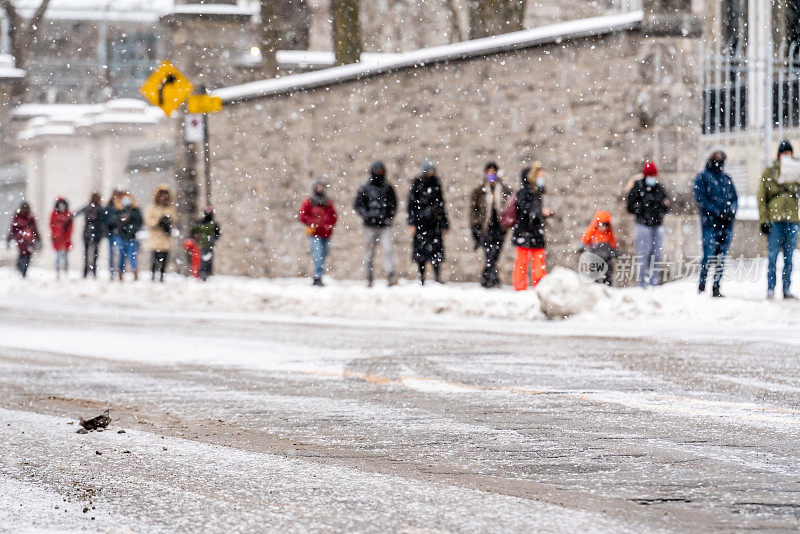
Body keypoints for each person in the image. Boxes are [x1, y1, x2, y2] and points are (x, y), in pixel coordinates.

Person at [758, 140, 800, 300]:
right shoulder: (769, 172)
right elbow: (761, 197)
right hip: (775, 219)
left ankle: (787, 289)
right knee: (773, 256)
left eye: (789, 153)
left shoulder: (796, 171)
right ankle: (770, 289)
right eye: (784, 153)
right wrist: (763, 220)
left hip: (792, 219)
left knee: (789, 258)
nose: (787, 156)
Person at [694, 151, 738, 297]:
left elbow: (734, 199)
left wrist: (731, 211)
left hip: (726, 224)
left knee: (721, 257)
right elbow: (701, 200)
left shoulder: (726, 179)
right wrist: (717, 211)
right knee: (709, 255)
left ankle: (716, 287)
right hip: (710, 223)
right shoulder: (703, 178)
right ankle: (702, 286)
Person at [626, 161, 670, 288]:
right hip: (643, 225)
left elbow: (666, 205)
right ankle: (643, 283)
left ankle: (654, 281)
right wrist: (642, 207)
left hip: (657, 224)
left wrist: (659, 206)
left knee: (656, 255)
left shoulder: (659, 188)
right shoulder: (638, 187)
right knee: (643, 254)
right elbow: (630, 206)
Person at [354, 161, 398, 287]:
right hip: (369, 226)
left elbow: (393, 205)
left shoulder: (387, 188)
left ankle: (390, 274)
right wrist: (366, 215)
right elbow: (358, 204)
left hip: (384, 226)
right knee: (369, 252)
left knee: (387, 250)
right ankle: (369, 276)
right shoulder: (366, 188)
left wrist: (389, 217)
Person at [470, 161, 513, 288]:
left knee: (496, 253)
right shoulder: (479, 191)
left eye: (493, 172)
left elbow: (508, 206)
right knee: (489, 253)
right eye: (489, 172)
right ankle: (494, 279)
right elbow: (473, 211)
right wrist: (475, 225)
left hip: (499, 227)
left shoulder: (503, 189)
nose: (491, 175)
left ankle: (485, 278)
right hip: (486, 227)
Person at [512, 162, 553, 291]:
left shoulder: (539, 193)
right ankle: (520, 287)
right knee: (523, 262)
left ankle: (539, 286)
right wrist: (539, 213)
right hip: (526, 231)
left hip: (534, 231)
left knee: (538, 261)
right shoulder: (524, 193)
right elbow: (526, 211)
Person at [407, 162, 449, 284]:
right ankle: (422, 277)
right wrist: (412, 222)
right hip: (421, 223)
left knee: (436, 251)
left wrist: (445, 223)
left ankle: (437, 276)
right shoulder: (417, 184)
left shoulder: (436, 184)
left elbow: (441, 204)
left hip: (434, 223)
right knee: (421, 253)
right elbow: (411, 205)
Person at [298, 181, 337, 286]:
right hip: (315, 234)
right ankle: (317, 276)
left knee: (323, 255)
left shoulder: (328, 203)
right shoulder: (309, 202)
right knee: (317, 255)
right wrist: (313, 222)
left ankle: (319, 274)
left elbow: (333, 217)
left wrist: (327, 225)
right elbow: (302, 215)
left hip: (326, 234)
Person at [145, 184, 175, 282]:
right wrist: (158, 221)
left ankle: (162, 276)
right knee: (155, 259)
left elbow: (174, 218)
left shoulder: (169, 208)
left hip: (165, 238)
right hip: (155, 238)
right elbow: (148, 220)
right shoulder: (152, 208)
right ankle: (153, 276)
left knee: (164, 259)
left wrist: (167, 220)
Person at [579, 210, 619, 286]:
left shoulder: (608, 232)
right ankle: (595, 287)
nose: (603, 227)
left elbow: (612, 241)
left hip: (607, 257)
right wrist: (582, 245)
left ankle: (608, 287)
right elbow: (586, 237)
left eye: (605, 225)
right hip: (595, 257)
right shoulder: (593, 230)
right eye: (601, 225)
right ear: (597, 224)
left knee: (608, 274)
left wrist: (615, 250)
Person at [6, 202, 39, 278]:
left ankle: (22, 270)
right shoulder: (22, 217)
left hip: (26, 239)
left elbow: (12, 229)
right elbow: (13, 229)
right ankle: (22, 270)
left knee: (24, 255)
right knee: (24, 255)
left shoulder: (24, 217)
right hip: (23, 239)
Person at [76, 192, 104, 278]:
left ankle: (88, 271)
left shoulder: (92, 208)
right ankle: (91, 271)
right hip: (93, 233)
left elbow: (76, 213)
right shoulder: (98, 208)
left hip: (91, 233)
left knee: (89, 254)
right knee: (92, 254)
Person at [116, 192, 143, 281]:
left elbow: (139, 223)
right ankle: (120, 274)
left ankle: (134, 273)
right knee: (121, 257)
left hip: (132, 237)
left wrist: (131, 228)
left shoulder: (135, 211)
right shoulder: (119, 210)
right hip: (122, 236)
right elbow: (116, 223)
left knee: (133, 257)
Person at [191, 206, 222, 282]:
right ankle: (202, 274)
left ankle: (205, 274)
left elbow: (217, 234)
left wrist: (213, 239)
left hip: (209, 245)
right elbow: (193, 232)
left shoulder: (214, 224)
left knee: (207, 261)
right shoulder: (200, 223)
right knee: (201, 260)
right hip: (200, 245)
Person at [49, 197, 73, 279]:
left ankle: (65, 270)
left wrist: (66, 235)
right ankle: (58, 271)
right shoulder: (54, 214)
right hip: (58, 239)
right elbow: (51, 225)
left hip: (65, 239)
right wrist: (56, 234)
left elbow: (71, 227)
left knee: (65, 257)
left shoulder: (68, 214)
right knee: (58, 256)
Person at [103, 190, 122, 281]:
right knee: (112, 253)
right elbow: (106, 220)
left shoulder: (121, 207)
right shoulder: (109, 207)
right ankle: (112, 272)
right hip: (111, 233)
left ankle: (119, 271)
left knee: (118, 253)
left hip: (119, 234)